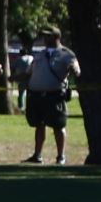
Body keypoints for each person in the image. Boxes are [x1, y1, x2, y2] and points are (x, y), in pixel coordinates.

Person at [24, 28, 79, 165]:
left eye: (47, 36)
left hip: (54, 96)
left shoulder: (66, 54)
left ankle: (61, 156)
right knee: (39, 125)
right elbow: (29, 72)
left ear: (56, 37)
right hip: (36, 96)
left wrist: (73, 69)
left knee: (58, 126)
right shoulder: (40, 54)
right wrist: (13, 77)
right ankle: (37, 155)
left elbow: (76, 70)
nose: (44, 39)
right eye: (43, 36)